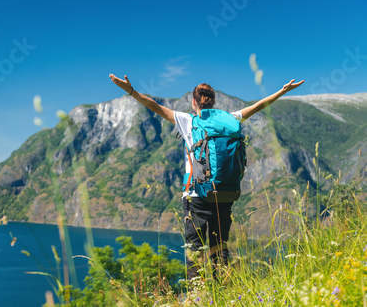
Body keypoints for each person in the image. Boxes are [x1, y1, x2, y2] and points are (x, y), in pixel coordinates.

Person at [109, 73, 304, 279]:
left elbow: (155, 106)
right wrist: (282, 91)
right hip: (225, 193)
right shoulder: (230, 119)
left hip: (197, 195)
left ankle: (197, 297)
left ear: (194, 102)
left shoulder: (188, 121)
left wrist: (131, 91)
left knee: (195, 252)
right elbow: (258, 106)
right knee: (220, 249)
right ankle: (225, 294)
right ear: (214, 102)